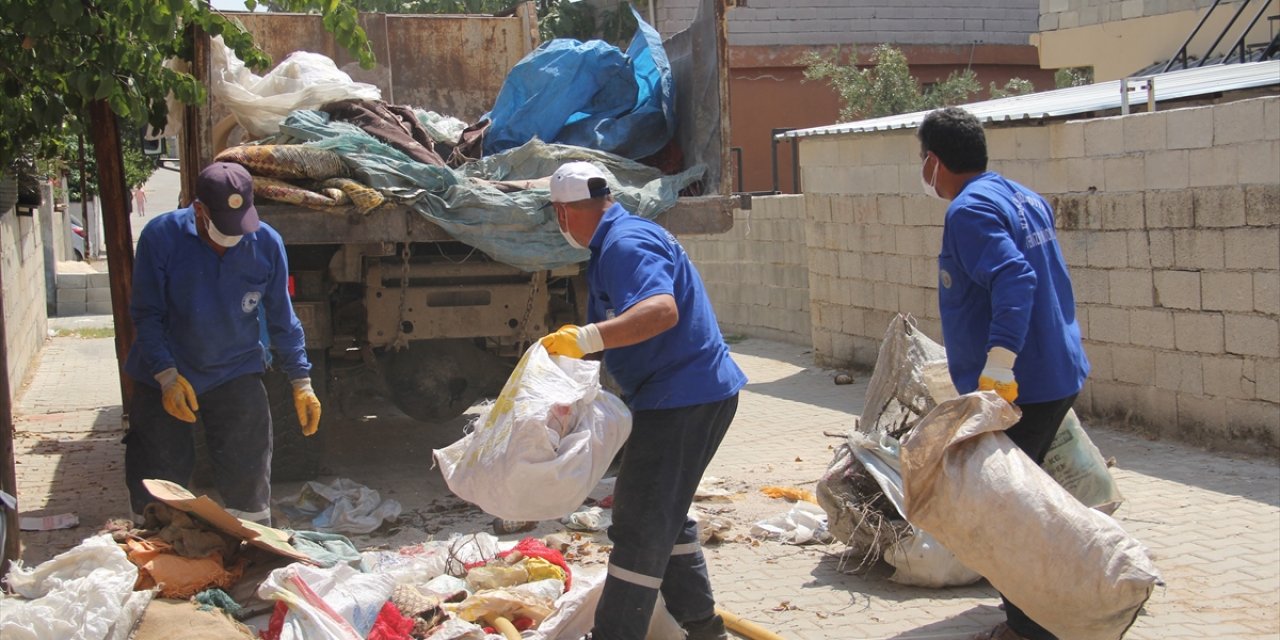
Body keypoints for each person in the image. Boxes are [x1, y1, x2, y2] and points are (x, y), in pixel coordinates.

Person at [539, 162, 747, 640]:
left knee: (638, 524)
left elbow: (660, 310)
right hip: (680, 395)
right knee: (663, 518)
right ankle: (702, 626)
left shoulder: (625, 244)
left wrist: (586, 338)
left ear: (563, 213)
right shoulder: (619, 239)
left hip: (684, 398)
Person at [917, 107, 1090, 640]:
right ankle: (1065, 602)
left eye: (922, 160)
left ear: (936, 162)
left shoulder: (968, 211)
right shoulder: (1022, 196)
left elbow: (1015, 276)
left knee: (1007, 511)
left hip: (1019, 385)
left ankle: (1029, 627)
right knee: (1029, 499)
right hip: (1056, 369)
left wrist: (999, 363)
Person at [123, 162, 321, 525]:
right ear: (199, 210)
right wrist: (166, 376)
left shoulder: (267, 243)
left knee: (248, 480)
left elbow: (282, 318)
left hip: (235, 371)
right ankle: (156, 551)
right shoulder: (161, 237)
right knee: (159, 486)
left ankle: (253, 555)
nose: (234, 237)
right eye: (223, 228)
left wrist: (301, 381)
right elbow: (146, 315)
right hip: (166, 372)